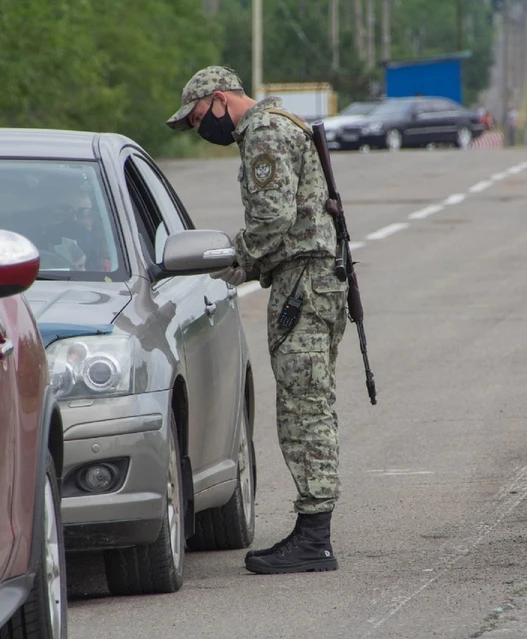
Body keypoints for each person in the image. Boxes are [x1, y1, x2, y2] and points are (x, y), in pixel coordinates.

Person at [165, 66, 348, 575]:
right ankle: (314, 531)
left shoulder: (264, 132)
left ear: (221, 100)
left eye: (202, 117)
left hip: (303, 283)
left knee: (303, 406)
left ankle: (315, 538)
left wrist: (233, 262)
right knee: (311, 400)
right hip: (314, 280)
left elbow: (272, 221)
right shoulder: (282, 123)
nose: (204, 129)